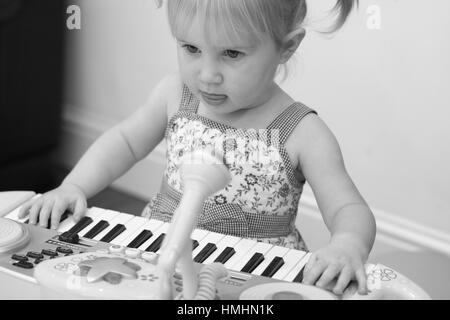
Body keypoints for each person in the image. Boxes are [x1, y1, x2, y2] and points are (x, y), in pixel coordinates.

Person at [19, 0, 376, 296]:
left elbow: (347, 206)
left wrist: (347, 243)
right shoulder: (176, 95)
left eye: (232, 53)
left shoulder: (302, 131)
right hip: (159, 253)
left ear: (287, 46)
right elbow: (124, 142)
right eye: (191, 48)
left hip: (250, 275)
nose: (207, 74)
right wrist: (74, 186)